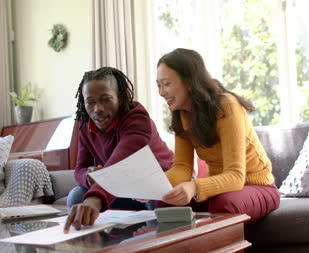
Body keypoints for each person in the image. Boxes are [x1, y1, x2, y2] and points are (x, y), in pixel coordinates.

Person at [156, 48, 280, 225]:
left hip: (257, 186)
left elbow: (236, 176)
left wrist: (195, 186)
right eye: (159, 85)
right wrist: (154, 188)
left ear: (189, 82)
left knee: (223, 204)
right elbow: (182, 168)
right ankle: (178, 252)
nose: (161, 92)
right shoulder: (181, 114)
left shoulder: (227, 106)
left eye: (166, 84)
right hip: (222, 189)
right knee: (165, 201)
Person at [64, 67, 173, 233]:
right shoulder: (85, 126)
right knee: (76, 196)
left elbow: (121, 164)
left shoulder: (137, 117)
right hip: (121, 190)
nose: (97, 108)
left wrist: (95, 197)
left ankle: (155, 244)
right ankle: (99, 247)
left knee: (156, 199)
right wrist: (88, 177)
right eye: (90, 102)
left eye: (106, 99)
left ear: (120, 98)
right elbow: (79, 169)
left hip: (157, 185)